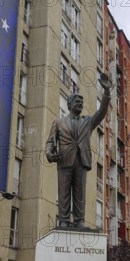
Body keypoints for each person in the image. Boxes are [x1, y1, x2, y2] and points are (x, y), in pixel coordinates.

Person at [45, 75, 111, 229]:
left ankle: (79, 221)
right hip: (64, 160)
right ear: (69, 104)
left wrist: (106, 92)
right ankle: (63, 221)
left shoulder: (87, 121)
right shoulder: (58, 122)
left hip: (81, 160)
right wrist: (49, 154)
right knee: (64, 192)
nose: (80, 103)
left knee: (80, 193)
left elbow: (101, 112)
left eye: (82, 102)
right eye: (77, 101)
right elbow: (50, 142)